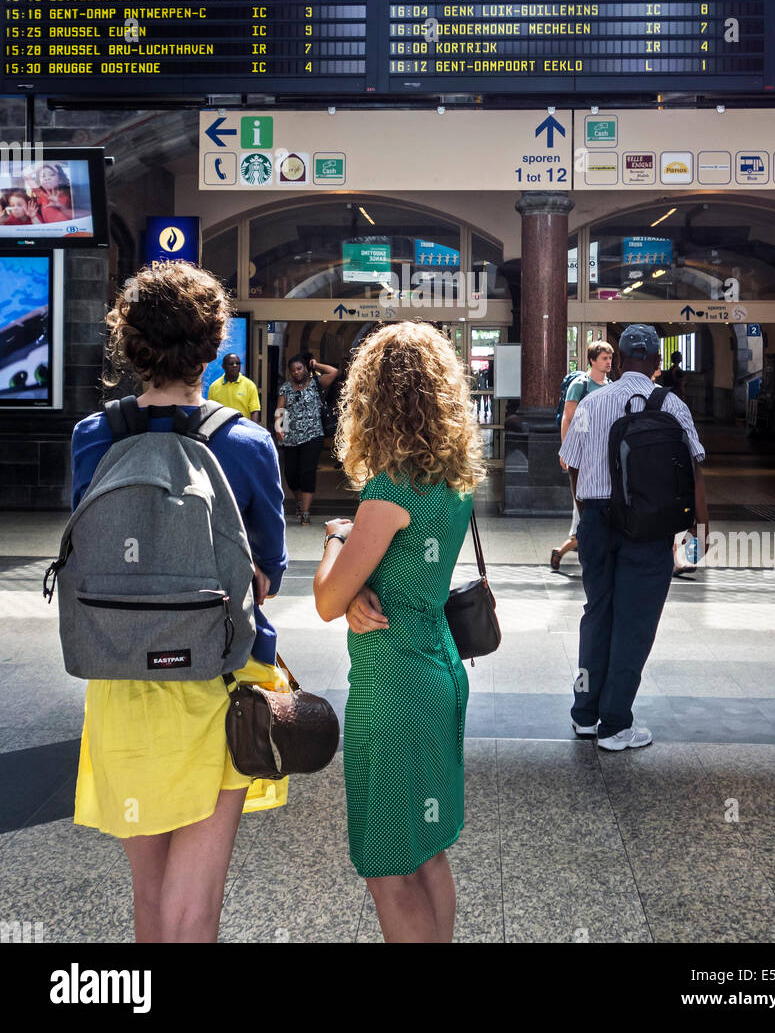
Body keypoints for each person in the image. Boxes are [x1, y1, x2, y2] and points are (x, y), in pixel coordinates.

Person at [70, 261, 288, 943]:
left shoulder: (92, 437)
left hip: (119, 677)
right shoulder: (247, 442)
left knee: (150, 901)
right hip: (216, 682)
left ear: (130, 343)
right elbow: (268, 573)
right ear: (212, 346)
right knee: (195, 906)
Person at [313, 321, 484, 943]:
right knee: (430, 850)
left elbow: (328, 600)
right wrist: (366, 584)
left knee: (388, 869)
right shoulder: (453, 484)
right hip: (439, 667)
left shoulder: (386, 494)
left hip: (393, 686)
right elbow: (404, 573)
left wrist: (334, 537)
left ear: (372, 398)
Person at [560, 324, 708, 751]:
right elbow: (695, 467)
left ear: (620, 361)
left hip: (597, 522)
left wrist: (587, 510)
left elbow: (569, 462)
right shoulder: (674, 406)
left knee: (597, 615)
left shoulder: (592, 401)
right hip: (648, 527)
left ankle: (585, 714)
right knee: (635, 623)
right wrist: (698, 530)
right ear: (658, 365)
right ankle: (616, 724)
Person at [551, 340, 614, 574]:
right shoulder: (580, 385)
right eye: (604, 359)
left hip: (603, 450)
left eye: (610, 358)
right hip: (583, 449)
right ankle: (576, 542)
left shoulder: (610, 385)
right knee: (583, 498)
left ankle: (574, 542)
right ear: (593, 360)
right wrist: (565, 448)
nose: (608, 362)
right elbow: (568, 417)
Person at [274, 352, 338, 524]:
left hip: (313, 436)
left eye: (300, 368)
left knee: (307, 473)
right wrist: (279, 428)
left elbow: (333, 372)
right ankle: (300, 501)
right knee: (291, 474)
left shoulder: (316, 383)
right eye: (293, 370)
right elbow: (281, 410)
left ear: (305, 368)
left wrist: (315, 365)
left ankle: (305, 512)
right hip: (290, 438)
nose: (296, 372)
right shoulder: (285, 388)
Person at [208, 352, 261, 423]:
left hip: (243, 429)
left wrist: (254, 430)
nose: (235, 366)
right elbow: (211, 412)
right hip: (222, 429)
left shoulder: (249, 385)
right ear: (223, 366)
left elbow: (254, 410)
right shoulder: (214, 387)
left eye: (238, 363)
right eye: (231, 364)